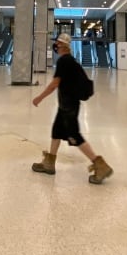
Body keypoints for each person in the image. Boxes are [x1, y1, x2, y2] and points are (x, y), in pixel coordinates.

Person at [31, 32, 113, 184]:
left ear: (62, 45)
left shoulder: (64, 61)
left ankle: (100, 165)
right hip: (66, 105)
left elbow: (55, 84)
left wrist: (39, 98)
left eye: (57, 43)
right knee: (56, 132)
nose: (56, 46)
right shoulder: (69, 61)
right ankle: (49, 163)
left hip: (69, 106)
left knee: (75, 137)